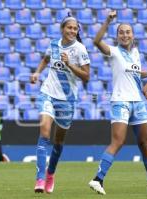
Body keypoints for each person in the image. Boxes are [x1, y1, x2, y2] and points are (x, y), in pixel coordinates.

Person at [88, 11, 147, 195]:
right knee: (118, 141)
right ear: (117, 35)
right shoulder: (114, 52)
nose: (125, 35)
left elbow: (132, 72)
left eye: (128, 32)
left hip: (138, 103)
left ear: (133, 35)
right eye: (121, 32)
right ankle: (98, 179)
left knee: (144, 143)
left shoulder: (135, 52)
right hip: (120, 102)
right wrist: (108, 21)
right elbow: (96, 42)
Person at [30, 13, 90, 194]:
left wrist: (70, 64)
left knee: (59, 141)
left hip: (67, 100)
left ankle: (50, 174)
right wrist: (37, 73)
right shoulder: (53, 44)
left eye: (75, 28)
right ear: (62, 29)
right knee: (44, 133)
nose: (72, 30)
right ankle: (40, 178)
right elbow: (45, 59)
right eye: (69, 27)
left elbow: (86, 77)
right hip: (47, 93)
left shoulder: (80, 49)